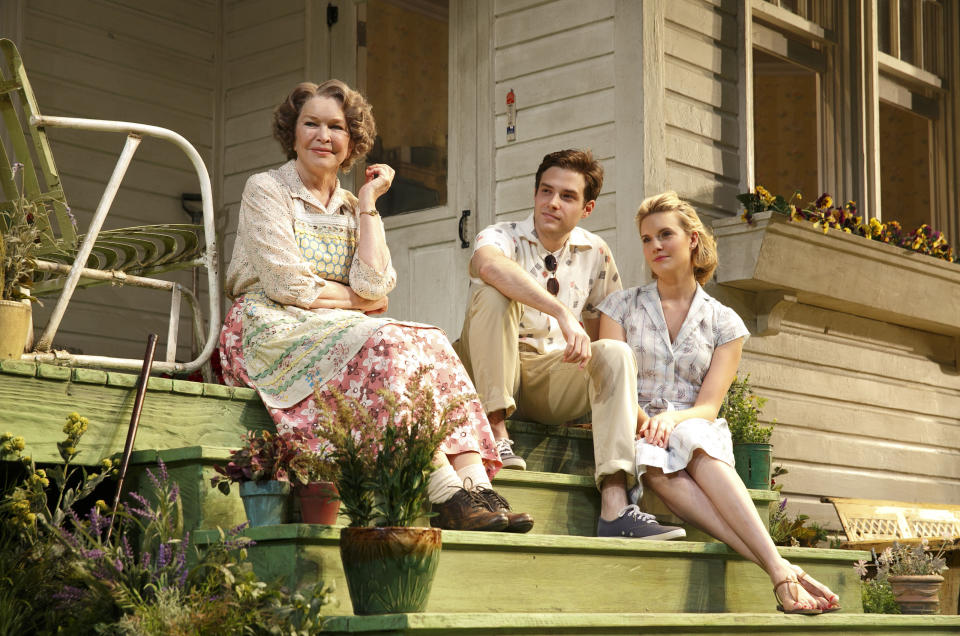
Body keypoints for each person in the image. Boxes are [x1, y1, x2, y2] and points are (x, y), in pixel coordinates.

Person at [219, 80, 533, 533]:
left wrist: (368, 203)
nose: (322, 136)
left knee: (430, 339)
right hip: (269, 328)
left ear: (352, 141)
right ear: (292, 132)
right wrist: (358, 301)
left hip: (333, 326)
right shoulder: (267, 189)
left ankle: (476, 490)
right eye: (311, 124)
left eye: (336, 127)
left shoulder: (352, 204)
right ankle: (444, 491)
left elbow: (377, 283)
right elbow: (287, 285)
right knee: (385, 337)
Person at [596, 191, 842, 613]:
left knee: (693, 435)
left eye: (665, 234)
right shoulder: (620, 306)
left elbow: (708, 406)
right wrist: (648, 421)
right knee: (653, 458)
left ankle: (780, 571)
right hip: (632, 424)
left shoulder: (725, 322)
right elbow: (613, 380)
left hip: (692, 427)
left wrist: (672, 420)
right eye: (646, 238)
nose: (655, 245)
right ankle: (781, 569)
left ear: (692, 239)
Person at [454, 149, 684, 540]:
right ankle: (497, 430)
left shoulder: (595, 253)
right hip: (489, 371)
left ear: (587, 207)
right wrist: (561, 312)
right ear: (535, 193)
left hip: (549, 376)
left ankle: (615, 507)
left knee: (616, 351)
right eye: (546, 191)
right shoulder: (499, 235)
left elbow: (603, 333)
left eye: (567, 196)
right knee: (493, 293)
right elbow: (490, 267)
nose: (552, 203)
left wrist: (608, 401)